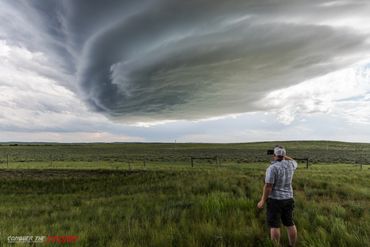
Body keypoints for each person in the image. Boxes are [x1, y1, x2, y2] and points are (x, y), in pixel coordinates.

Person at [257, 145, 298, 247]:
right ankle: (291, 245)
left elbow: (268, 186)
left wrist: (262, 200)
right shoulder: (291, 165)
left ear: (274, 155)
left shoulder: (272, 168)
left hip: (275, 200)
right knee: (290, 223)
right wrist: (283, 155)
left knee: (274, 225)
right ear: (284, 155)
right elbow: (294, 160)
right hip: (288, 198)